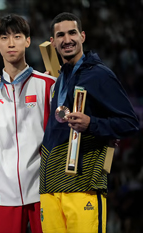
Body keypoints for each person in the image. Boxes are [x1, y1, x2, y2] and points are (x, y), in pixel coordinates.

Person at [39, 12, 139, 233]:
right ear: (53, 41)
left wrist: (92, 123)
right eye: (60, 35)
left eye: (72, 32)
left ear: (82, 36)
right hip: (50, 188)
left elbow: (130, 123)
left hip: (83, 186)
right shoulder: (58, 79)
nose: (67, 39)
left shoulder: (100, 75)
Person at [0, 14, 56, 233]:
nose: (11, 43)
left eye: (17, 37)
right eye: (4, 38)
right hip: (4, 194)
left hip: (44, 190)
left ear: (28, 41)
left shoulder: (48, 85)